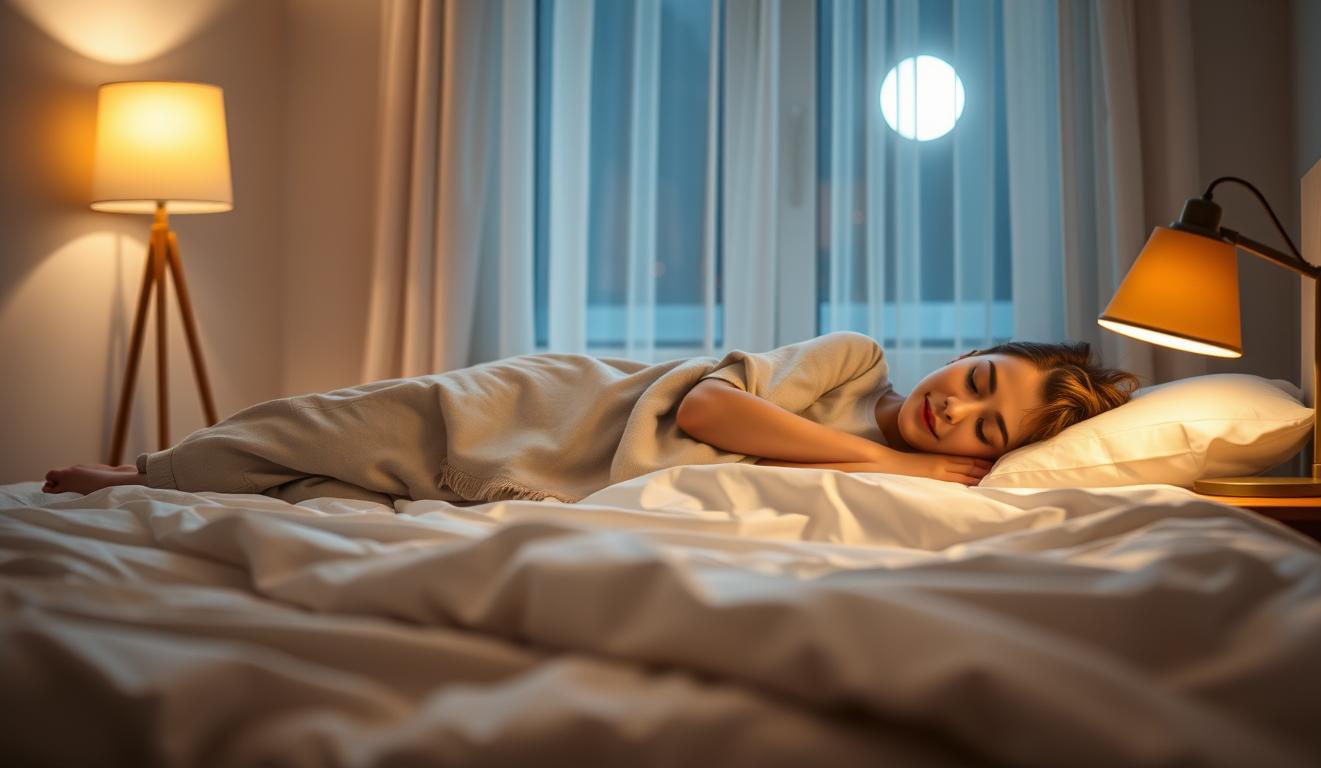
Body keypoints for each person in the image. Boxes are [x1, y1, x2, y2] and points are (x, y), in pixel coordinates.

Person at [42, 332, 1137, 504]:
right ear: (968, 353)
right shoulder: (859, 365)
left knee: (360, 490)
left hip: (563, 480)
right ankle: (147, 475)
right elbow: (713, 408)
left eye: (986, 432)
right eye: (979, 379)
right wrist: (894, 464)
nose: (957, 411)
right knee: (341, 427)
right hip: (565, 404)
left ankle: (178, 481)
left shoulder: (925, 488)